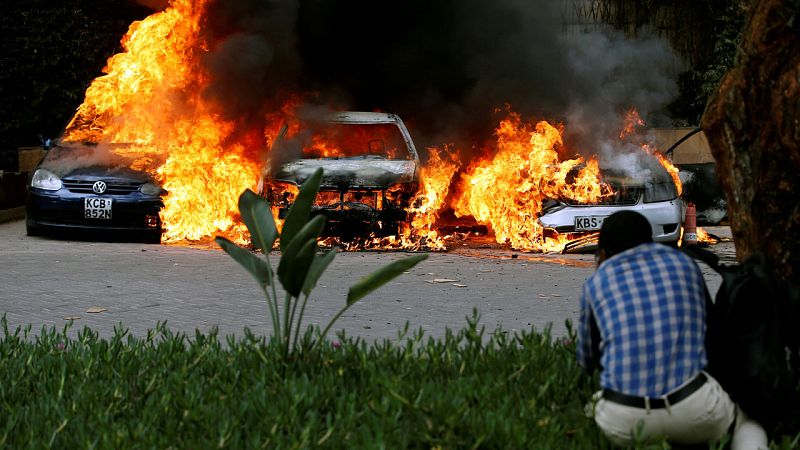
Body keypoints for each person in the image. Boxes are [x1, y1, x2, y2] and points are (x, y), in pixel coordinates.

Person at [576, 210, 767, 448]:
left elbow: (587, 359)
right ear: (650, 241)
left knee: (592, 408)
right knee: (747, 422)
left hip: (625, 420)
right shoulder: (684, 263)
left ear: (603, 253)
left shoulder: (596, 282)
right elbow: (711, 333)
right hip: (694, 408)